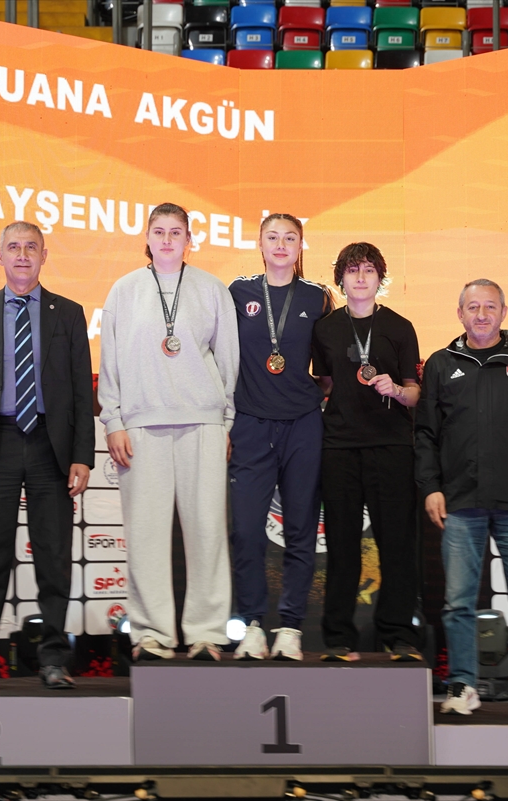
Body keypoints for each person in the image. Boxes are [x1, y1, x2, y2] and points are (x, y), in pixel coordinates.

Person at [415, 279, 508, 716]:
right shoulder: (441, 364)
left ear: (503, 312)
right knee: (458, 604)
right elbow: (425, 433)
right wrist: (431, 487)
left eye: (489, 307)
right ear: (459, 314)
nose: (481, 315)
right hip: (460, 500)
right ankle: (463, 685)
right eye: (473, 307)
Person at [0, 221, 95, 691]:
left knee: (53, 558)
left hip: (51, 447)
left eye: (31, 247)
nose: (22, 255)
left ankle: (53, 659)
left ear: (44, 256)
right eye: (13, 247)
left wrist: (82, 455)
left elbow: (81, 390)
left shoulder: (68, 313)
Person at [98, 203, 240, 662]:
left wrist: (226, 421)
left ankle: (207, 632)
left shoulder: (212, 289)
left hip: (203, 422)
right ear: (147, 237)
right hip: (141, 425)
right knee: (146, 535)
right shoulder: (124, 290)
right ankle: (151, 633)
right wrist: (113, 420)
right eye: (158, 231)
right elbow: (110, 362)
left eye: (175, 232)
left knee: (207, 531)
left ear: (189, 240)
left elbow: (229, 361)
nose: (166, 240)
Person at [311, 243, 425, 663]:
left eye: (369, 270)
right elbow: (324, 383)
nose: (360, 278)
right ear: (340, 278)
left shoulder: (400, 327)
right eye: (353, 270)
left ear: (380, 278)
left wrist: (396, 389)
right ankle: (339, 638)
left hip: (391, 445)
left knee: (396, 544)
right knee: (341, 545)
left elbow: (415, 392)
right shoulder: (325, 329)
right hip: (339, 447)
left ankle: (398, 636)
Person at [228, 214, 332, 661]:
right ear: (260, 244)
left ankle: (290, 627)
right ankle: (252, 624)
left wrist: (315, 398)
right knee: (246, 530)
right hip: (251, 423)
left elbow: (327, 368)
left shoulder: (316, 296)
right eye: (272, 237)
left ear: (301, 245)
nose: (281, 244)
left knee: (301, 528)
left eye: (290, 237)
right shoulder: (238, 292)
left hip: (302, 424)